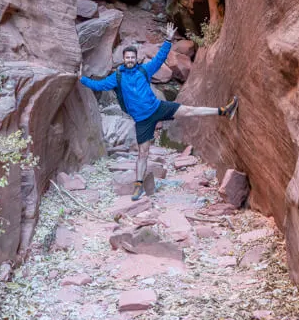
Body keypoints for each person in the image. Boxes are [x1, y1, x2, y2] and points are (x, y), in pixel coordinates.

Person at [79, 23, 238, 200]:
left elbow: (159, 58)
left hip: (158, 108)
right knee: (143, 153)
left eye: (132, 57)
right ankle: (138, 186)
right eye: (127, 58)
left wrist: (168, 40)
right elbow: (98, 85)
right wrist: (82, 78)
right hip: (142, 120)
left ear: (136, 58)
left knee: (189, 110)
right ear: (123, 59)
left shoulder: (144, 70)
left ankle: (224, 111)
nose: (130, 60)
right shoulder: (117, 77)